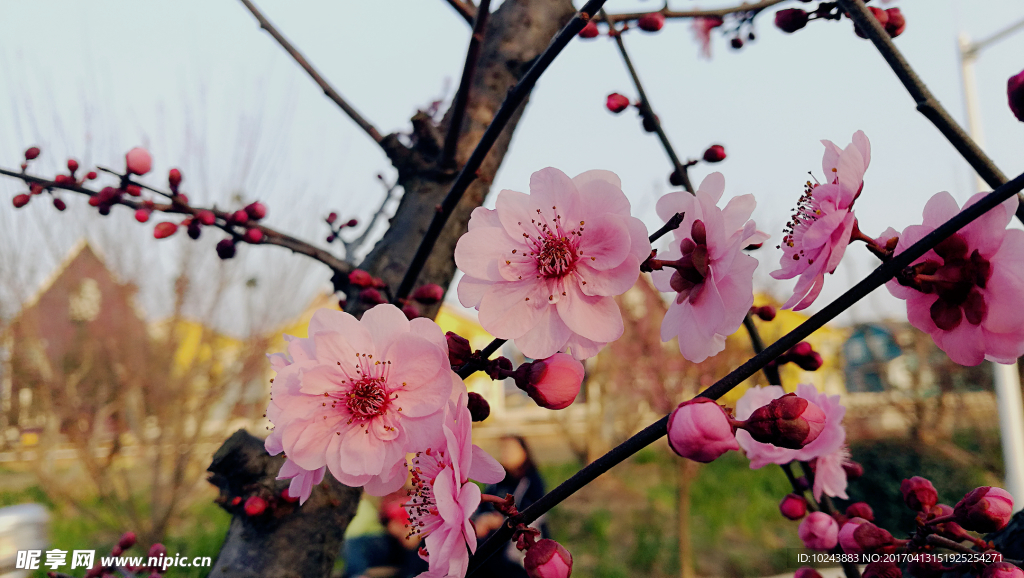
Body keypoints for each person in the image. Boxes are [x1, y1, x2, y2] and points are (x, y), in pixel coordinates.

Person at [471, 436, 548, 578]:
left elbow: (533, 513)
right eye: (503, 449)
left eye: (511, 449)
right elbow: (481, 505)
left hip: (516, 547)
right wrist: (481, 520)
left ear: (524, 452)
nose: (506, 453)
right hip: (488, 541)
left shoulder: (533, 481)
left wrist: (499, 521)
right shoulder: (496, 480)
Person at [341, 491, 427, 578]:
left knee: (420, 544)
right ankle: (357, 575)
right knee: (354, 542)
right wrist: (395, 528)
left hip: (420, 534)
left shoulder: (425, 492)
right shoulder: (391, 492)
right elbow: (384, 516)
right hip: (392, 538)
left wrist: (416, 530)